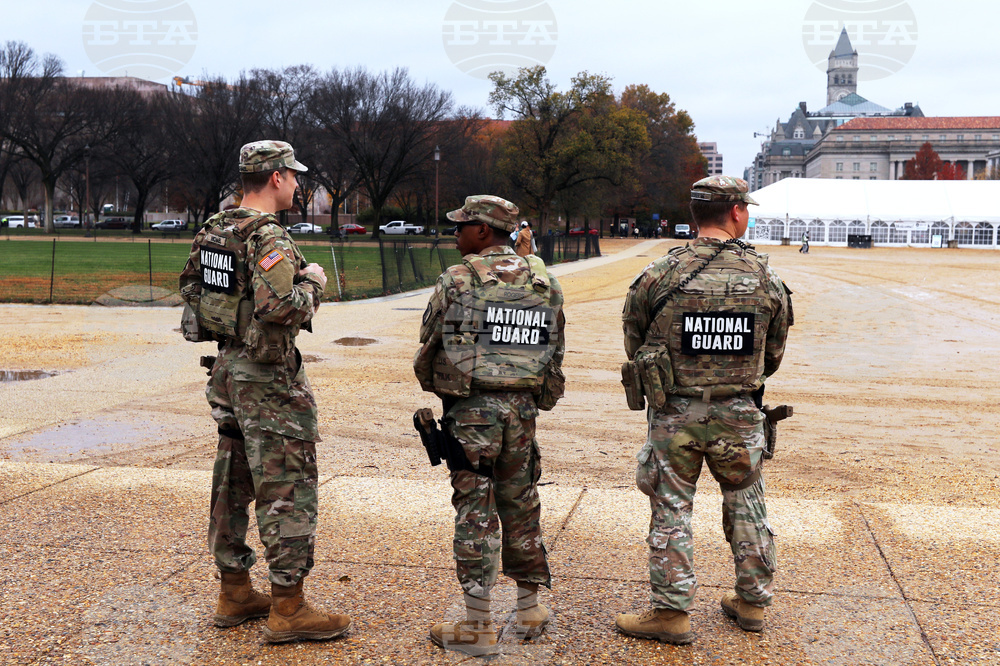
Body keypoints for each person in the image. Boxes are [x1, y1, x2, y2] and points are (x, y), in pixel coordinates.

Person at [178, 140, 352, 644]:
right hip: (268, 376)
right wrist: (313, 283)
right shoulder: (267, 236)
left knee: (232, 478)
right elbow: (280, 309)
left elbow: (192, 289)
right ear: (275, 177)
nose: (298, 184)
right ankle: (289, 607)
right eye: (294, 176)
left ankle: (234, 590)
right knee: (287, 483)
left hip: (228, 367)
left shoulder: (215, 227)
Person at [617, 176, 792, 644]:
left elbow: (635, 342)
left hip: (674, 414)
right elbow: (772, 355)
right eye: (746, 209)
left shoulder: (660, 273)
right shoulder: (766, 277)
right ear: (735, 212)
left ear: (697, 214)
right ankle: (752, 601)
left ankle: (672, 612)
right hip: (739, 412)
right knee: (747, 502)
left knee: (672, 508)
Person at [414, 195, 566, 656]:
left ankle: (478, 627)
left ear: (484, 231)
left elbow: (431, 340)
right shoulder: (543, 279)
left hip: (473, 414)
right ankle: (528, 608)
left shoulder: (457, 278)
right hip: (522, 412)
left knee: (475, 511)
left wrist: (437, 382)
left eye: (462, 226)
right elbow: (554, 346)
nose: (456, 233)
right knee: (521, 501)